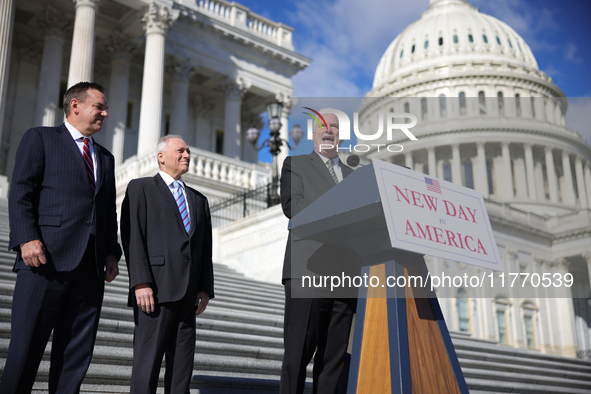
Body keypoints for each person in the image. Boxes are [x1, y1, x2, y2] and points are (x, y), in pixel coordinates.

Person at [1, 82, 122, 394]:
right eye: (100, 107)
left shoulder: (105, 158)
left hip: (90, 270)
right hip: (44, 261)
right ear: (76, 106)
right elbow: (21, 192)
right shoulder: (40, 138)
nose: (106, 113)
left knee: (74, 358)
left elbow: (107, 212)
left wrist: (111, 252)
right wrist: (26, 238)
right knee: (25, 350)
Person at [120, 135, 214, 394]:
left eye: (188, 152)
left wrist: (205, 287)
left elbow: (205, 248)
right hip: (154, 293)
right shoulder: (140, 188)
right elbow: (133, 237)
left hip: (189, 295)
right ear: (161, 156)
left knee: (182, 369)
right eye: (180, 150)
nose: (187, 155)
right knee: (147, 365)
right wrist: (140, 282)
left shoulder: (198, 199)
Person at [279, 112, 357, 394]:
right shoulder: (295, 165)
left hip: (346, 277)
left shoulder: (354, 176)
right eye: (322, 126)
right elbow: (293, 208)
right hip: (308, 273)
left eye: (334, 127)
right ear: (313, 134)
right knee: (298, 355)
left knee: (334, 362)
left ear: (342, 136)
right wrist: (341, 209)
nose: (328, 131)